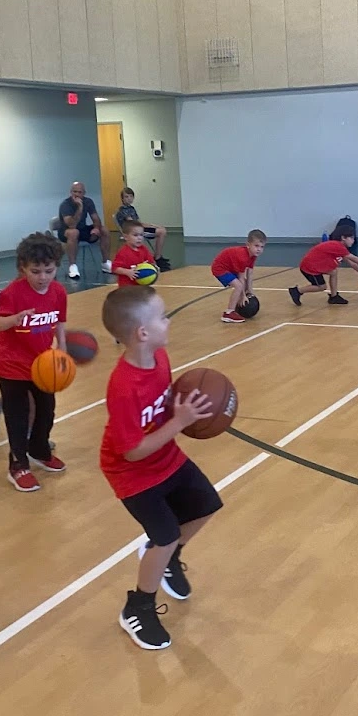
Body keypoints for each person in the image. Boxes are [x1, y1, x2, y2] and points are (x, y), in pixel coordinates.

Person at [100, 285, 223, 650]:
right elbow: (132, 452)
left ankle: (167, 558)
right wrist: (180, 422)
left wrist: (190, 408)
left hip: (165, 456)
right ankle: (137, 607)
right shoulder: (123, 386)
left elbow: (164, 407)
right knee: (165, 534)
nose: (168, 321)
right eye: (162, 316)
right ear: (142, 333)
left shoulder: (161, 359)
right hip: (131, 474)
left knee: (206, 505)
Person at [0, 232, 67, 493]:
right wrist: (15, 319)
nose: (43, 276)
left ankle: (39, 449)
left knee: (47, 411)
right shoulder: (13, 293)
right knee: (18, 417)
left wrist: (63, 351)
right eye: (36, 271)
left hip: (43, 364)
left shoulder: (58, 291)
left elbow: (60, 321)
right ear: (23, 267)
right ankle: (18, 464)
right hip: (12, 366)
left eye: (49, 270)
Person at [288, 229, 358, 306]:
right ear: (343, 238)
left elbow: (352, 263)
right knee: (322, 287)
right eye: (351, 238)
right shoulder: (338, 246)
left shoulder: (340, 248)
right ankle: (297, 291)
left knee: (333, 272)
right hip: (309, 267)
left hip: (314, 265)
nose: (353, 241)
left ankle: (334, 297)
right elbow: (354, 258)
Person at [57, 181, 112, 281]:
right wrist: (80, 207)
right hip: (66, 231)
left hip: (82, 229)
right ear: (70, 192)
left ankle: (105, 262)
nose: (77, 194)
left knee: (104, 229)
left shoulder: (88, 201)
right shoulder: (65, 205)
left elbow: (95, 218)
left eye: (79, 192)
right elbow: (72, 225)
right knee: (74, 232)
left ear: (84, 193)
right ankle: (72, 266)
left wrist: (96, 227)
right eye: (74, 192)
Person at [211, 229, 267, 324]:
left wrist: (250, 291)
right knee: (239, 286)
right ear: (248, 245)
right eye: (256, 246)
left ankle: (237, 306)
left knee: (242, 284)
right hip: (220, 268)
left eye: (262, 247)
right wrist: (243, 296)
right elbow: (241, 277)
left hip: (230, 267)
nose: (259, 249)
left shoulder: (253, 255)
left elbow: (250, 273)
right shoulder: (242, 257)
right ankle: (229, 313)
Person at [115, 187, 171, 272]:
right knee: (161, 232)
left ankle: (158, 256)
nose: (129, 199)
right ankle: (157, 257)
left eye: (130, 196)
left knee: (162, 229)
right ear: (122, 198)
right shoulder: (122, 210)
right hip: (133, 231)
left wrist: (153, 225)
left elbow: (138, 222)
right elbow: (133, 223)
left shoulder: (131, 208)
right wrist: (152, 226)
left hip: (138, 228)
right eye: (126, 197)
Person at [112, 220, 158, 287]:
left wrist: (154, 268)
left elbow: (151, 263)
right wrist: (127, 272)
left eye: (141, 235)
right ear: (126, 237)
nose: (139, 238)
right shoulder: (123, 252)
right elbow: (115, 268)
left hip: (141, 285)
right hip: (127, 286)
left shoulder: (144, 249)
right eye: (135, 235)